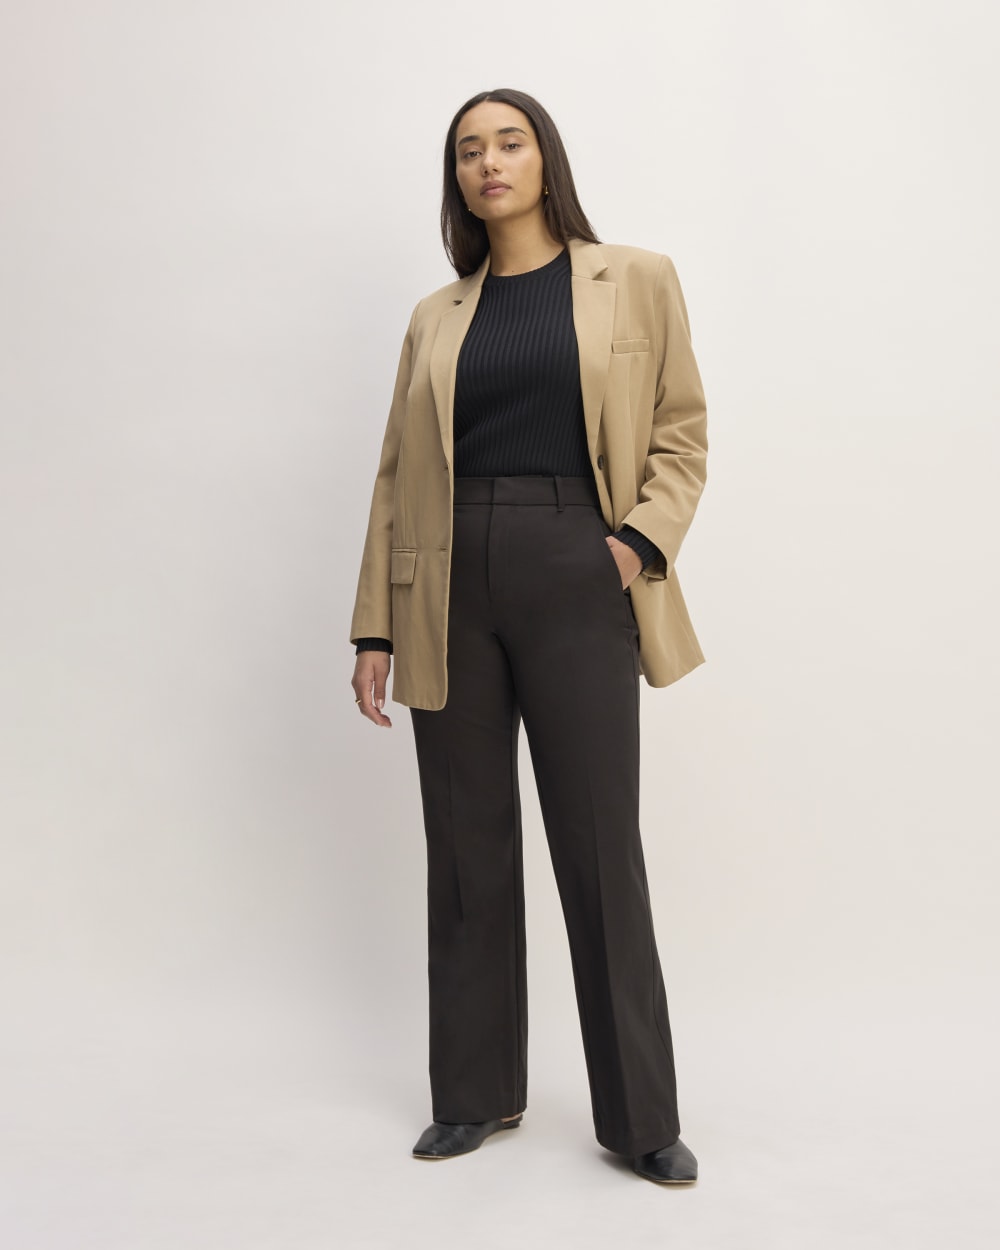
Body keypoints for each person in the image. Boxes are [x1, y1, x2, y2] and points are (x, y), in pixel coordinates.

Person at [349, 88, 707, 1186]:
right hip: (446, 577)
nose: (488, 162)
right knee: (464, 843)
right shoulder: (436, 315)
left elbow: (681, 432)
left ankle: (640, 1116)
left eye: (508, 142)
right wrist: (374, 626)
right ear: (456, 179)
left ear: (545, 158)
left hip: (575, 561)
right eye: (469, 150)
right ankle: (473, 1094)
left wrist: (632, 547)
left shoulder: (632, 277)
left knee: (598, 843)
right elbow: (396, 479)